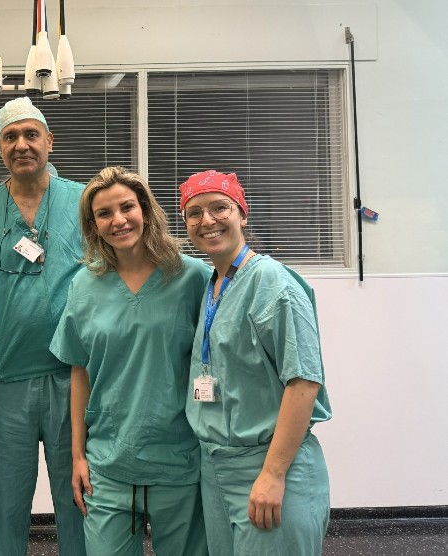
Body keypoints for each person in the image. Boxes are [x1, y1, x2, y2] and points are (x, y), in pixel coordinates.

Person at [0, 97, 86, 555]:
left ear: (50, 141)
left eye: (31, 135)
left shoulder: (85, 202)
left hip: (74, 375)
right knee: (2, 502)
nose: (21, 145)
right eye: (10, 137)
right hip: (4, 378)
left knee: (80, 497)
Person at [50, 167, 210, 556]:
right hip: (109, 463)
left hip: (179, 459)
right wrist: (78, 456)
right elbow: (78, 370)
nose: (118, 220)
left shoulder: (192, 278)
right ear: (93, 225)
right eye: (104, 213)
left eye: (127, 207)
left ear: (146, 210)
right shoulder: (84, 285)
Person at [179, 170, 331, 556]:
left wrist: (273, 473)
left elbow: (303, 381)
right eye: (194, 213)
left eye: (219, 208)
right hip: (216, 467)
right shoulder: (213, 283)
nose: (207, 220)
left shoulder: (272, 282)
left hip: (267, 464)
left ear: (242, 214)